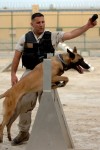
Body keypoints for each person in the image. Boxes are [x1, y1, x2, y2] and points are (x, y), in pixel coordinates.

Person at [11, 12, 97, 145]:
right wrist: (13, 74)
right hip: (30, 73)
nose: (41, 25)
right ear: (32, 24)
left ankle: (48, 133)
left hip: (48, 74)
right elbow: (16, 57)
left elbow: (71, 34)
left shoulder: (53, 36)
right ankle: (23, 132)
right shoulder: (24, 38)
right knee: (24, 103)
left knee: (48, 104)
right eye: (38, 22)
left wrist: (87, 26)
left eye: (43, 22)